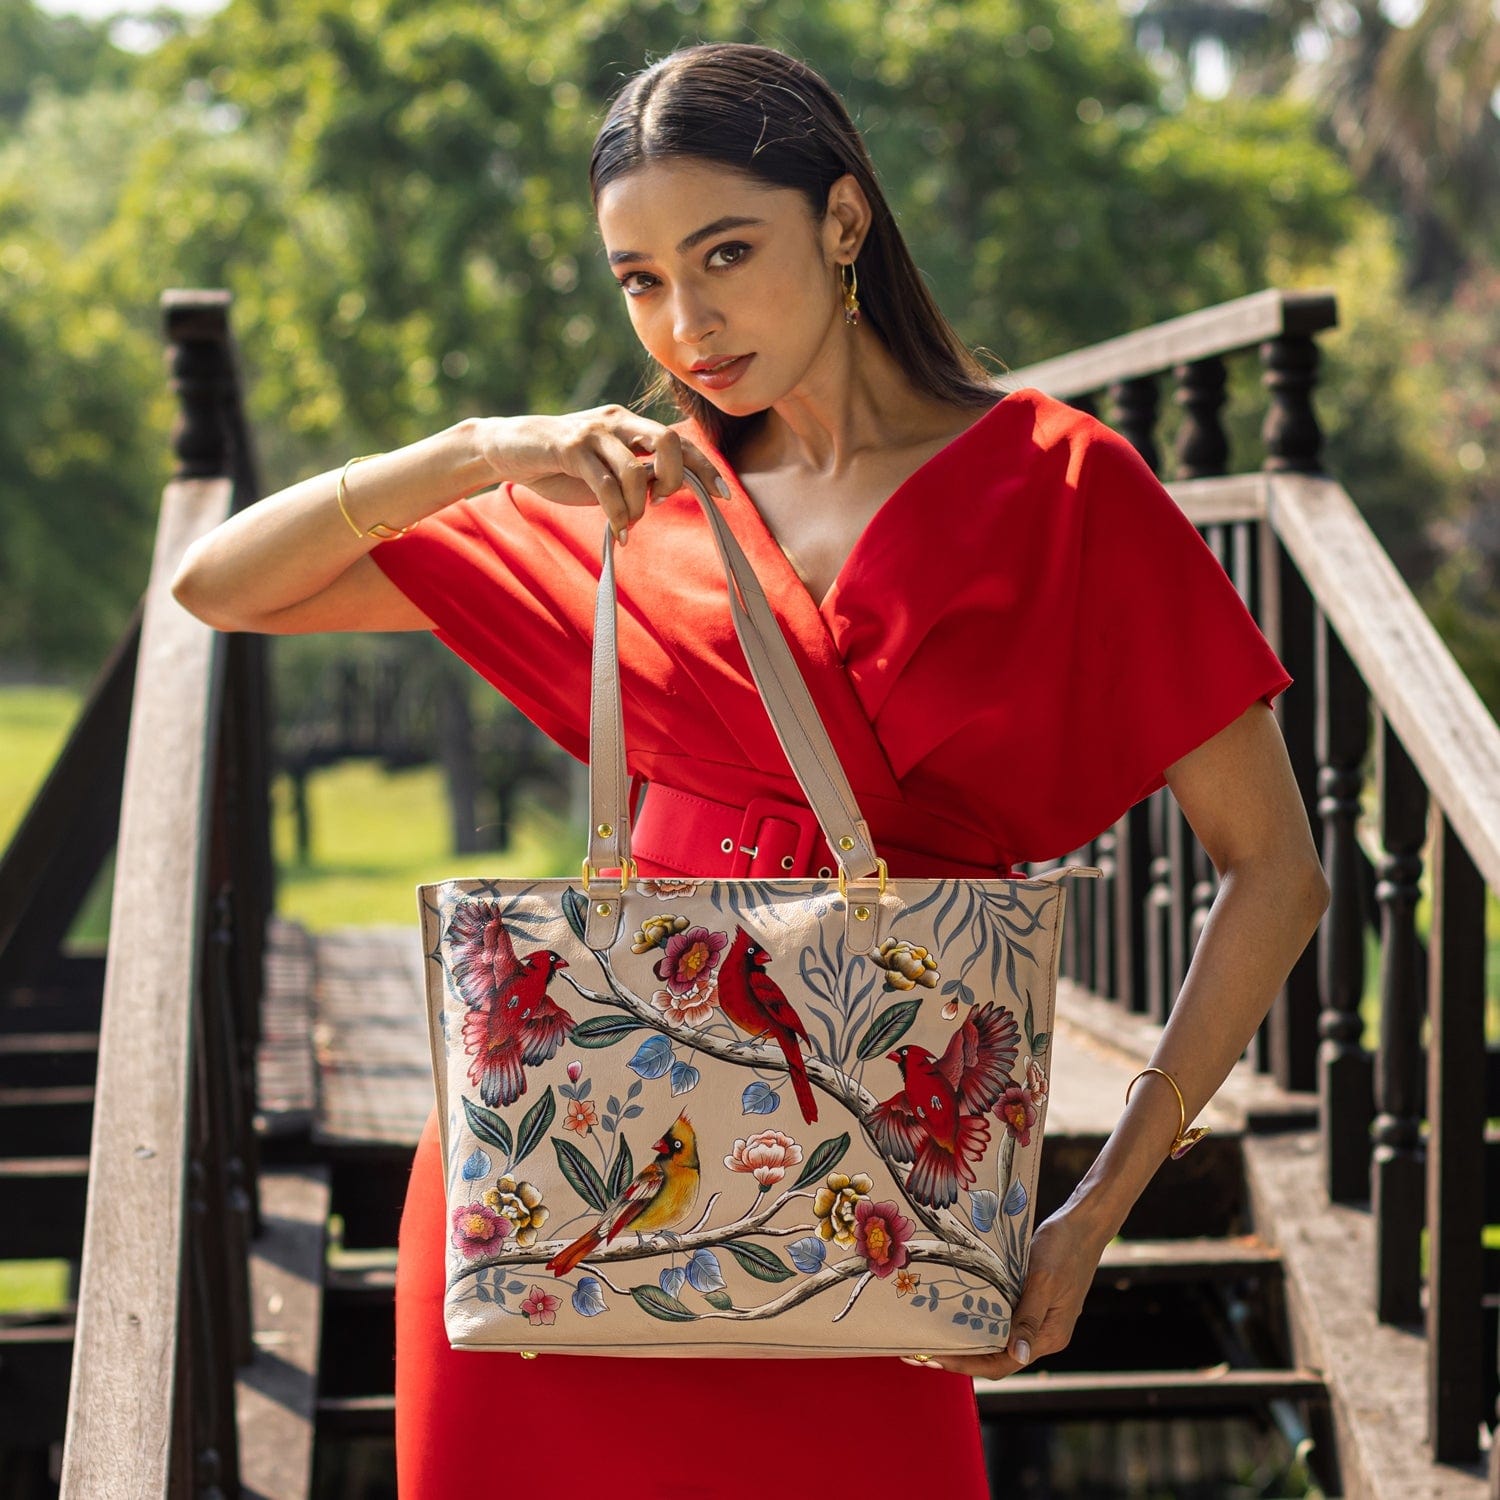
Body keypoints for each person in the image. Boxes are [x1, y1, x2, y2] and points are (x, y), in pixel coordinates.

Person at [172, 39, 1329, 1499]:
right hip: (565, 1210)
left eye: (727, 253)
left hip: (870, 1215)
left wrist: (1095, 1209)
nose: (687, 321)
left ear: (844, 222)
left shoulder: (1066, 487)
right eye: (640, 280)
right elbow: (223, 582)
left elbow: (1279, 870)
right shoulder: (639, 498)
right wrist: (482, 448)